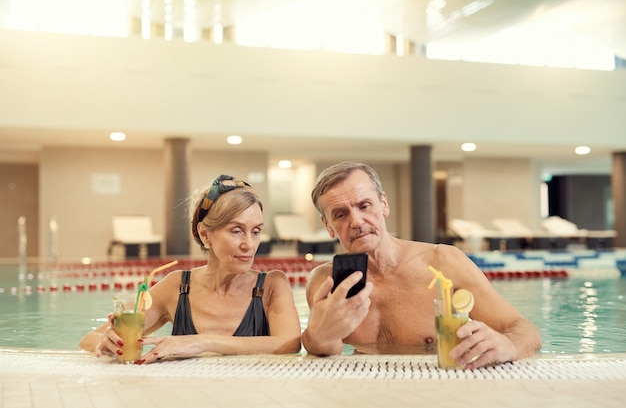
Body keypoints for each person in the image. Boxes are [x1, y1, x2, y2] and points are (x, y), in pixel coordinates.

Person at [301, 161, 542, 369]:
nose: (356, 221)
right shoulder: (326, 281)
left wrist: (507, 345)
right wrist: (318, 336)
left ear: (383, 204)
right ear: (328, 224)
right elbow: (322, 348)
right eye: (340, 214)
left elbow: (523, 329)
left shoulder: (443, 263)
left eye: (364, 206)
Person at [79, 174, 301, 363]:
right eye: (236, 231)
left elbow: (289, 343)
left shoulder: (272, 284)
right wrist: (108, 341)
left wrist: (202, 342)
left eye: (255, 231)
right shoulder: (178, 286)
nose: (249, 245)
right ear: (205, 234)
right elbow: (88, 340)